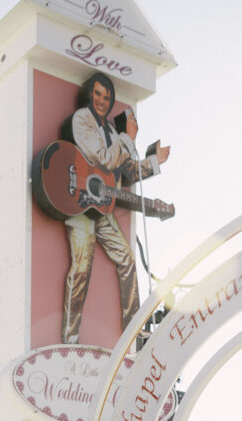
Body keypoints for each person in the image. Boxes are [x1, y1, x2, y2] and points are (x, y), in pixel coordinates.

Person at [62, 72, 170, 345]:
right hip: (80, 204)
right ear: (89, 94)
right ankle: (70, 338)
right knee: (81, 269)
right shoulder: (82, 120)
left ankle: (132, 329)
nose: (102, 100)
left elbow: (125, 171)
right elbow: (105, 159)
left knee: (128, 261)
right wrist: (129, 137)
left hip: (102, 208)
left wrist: (154, 161)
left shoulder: (112, 132)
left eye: (107, 97)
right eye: (98, 94)